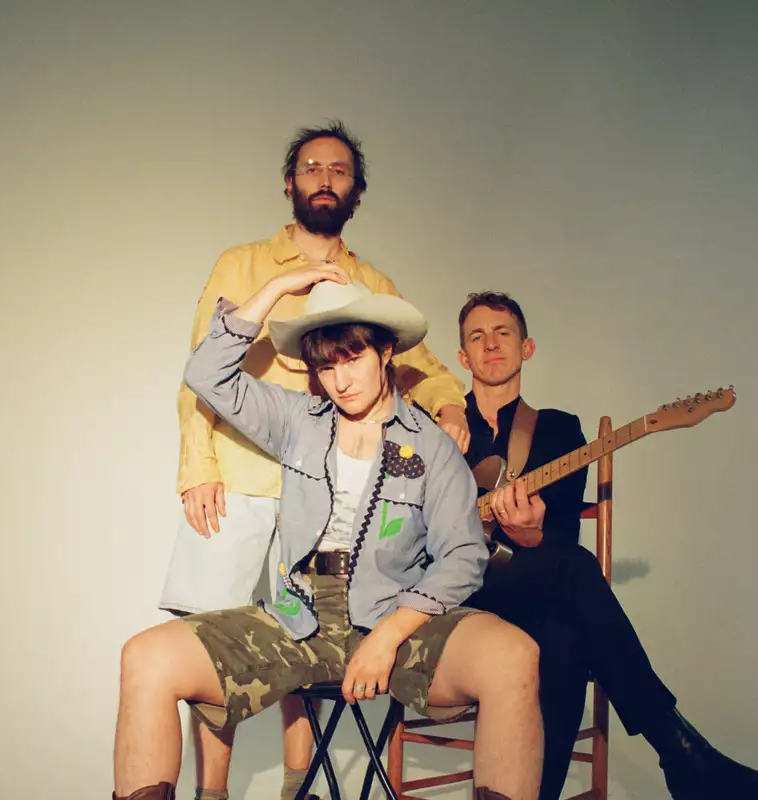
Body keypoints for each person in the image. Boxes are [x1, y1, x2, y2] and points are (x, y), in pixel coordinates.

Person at [114, 269, 545, 800]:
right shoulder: (297, 419)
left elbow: (462, 555)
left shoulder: (432, 446)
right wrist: (280, 286)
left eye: (353, 358)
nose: (340, 379)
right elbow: (206, 374)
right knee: (146, 658)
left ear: (385, 351)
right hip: (297, 621)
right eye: (325, 365)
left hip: (395, 619)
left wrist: (387, 638)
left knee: (514, 654)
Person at [159, 122, 470, 800]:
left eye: (338, 169)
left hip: (330, 490)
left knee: (305, 635)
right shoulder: (240, 263)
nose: (324, 177)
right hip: (238, 481)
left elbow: (425, 367)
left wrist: (449, 407)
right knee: (212, 651)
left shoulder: (372, 282)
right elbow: (203, 370)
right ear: (290, 183)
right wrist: (198, 467)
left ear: (355, 188)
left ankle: (299, 787)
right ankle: (211, 794)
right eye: (310, 167)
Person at [457, 291, 758, 800]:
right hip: (452, 590)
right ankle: (681, 751)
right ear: (462, 358)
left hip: (524, 582)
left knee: (562, 636)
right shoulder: (435, 425)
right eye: (477, 336)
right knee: (575, 583)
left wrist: (530, 531)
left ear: (527, 347)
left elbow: (556, 544)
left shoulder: (558, 430)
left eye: (503, 333)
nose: (491, 344)